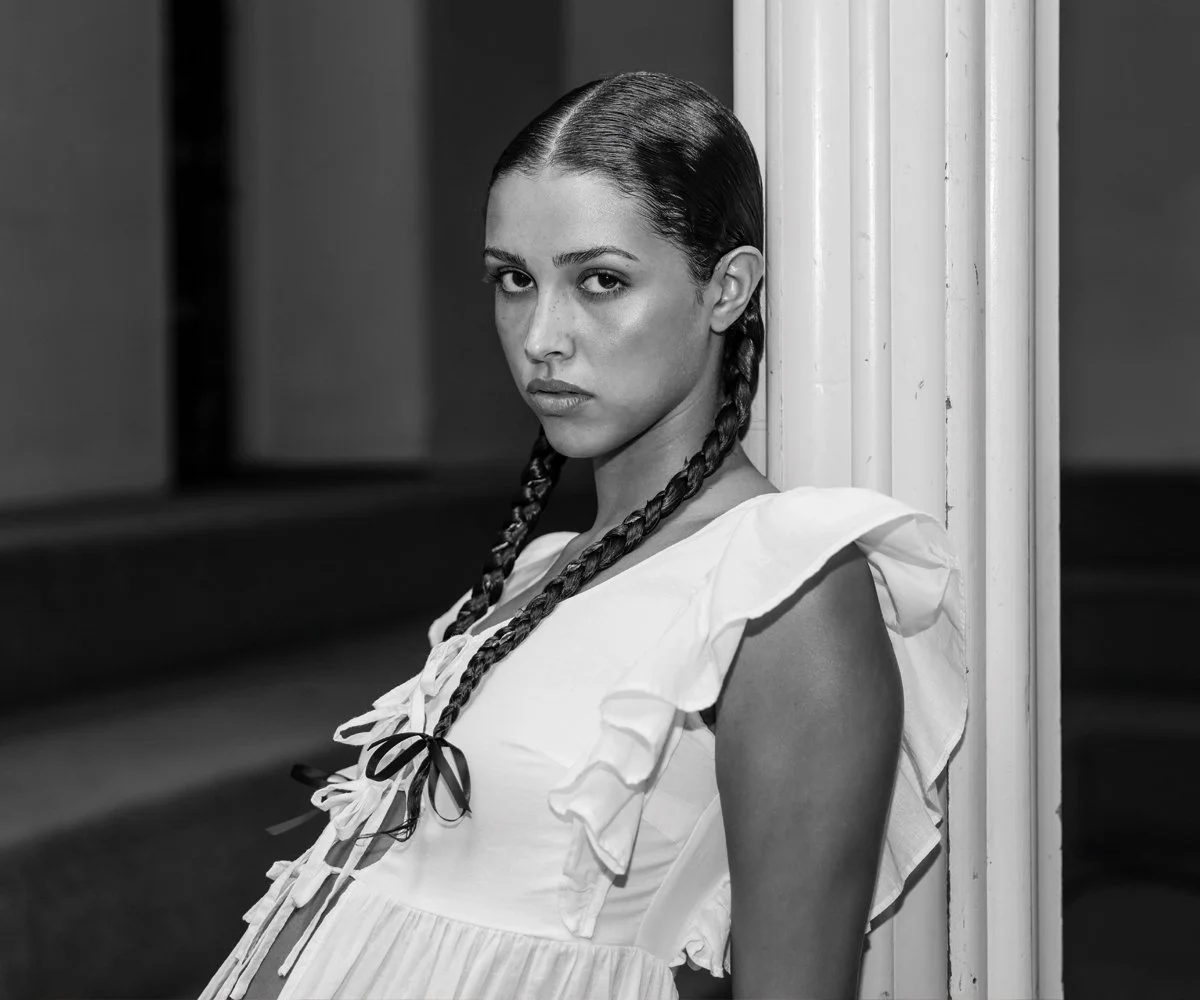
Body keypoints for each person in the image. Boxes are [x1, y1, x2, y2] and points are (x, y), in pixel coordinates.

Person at [201, 71, 967, 1000]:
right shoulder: (538, 566)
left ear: (727, 290)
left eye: (600, 281)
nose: (541, 337)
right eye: (513, 280)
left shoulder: (786, 587)